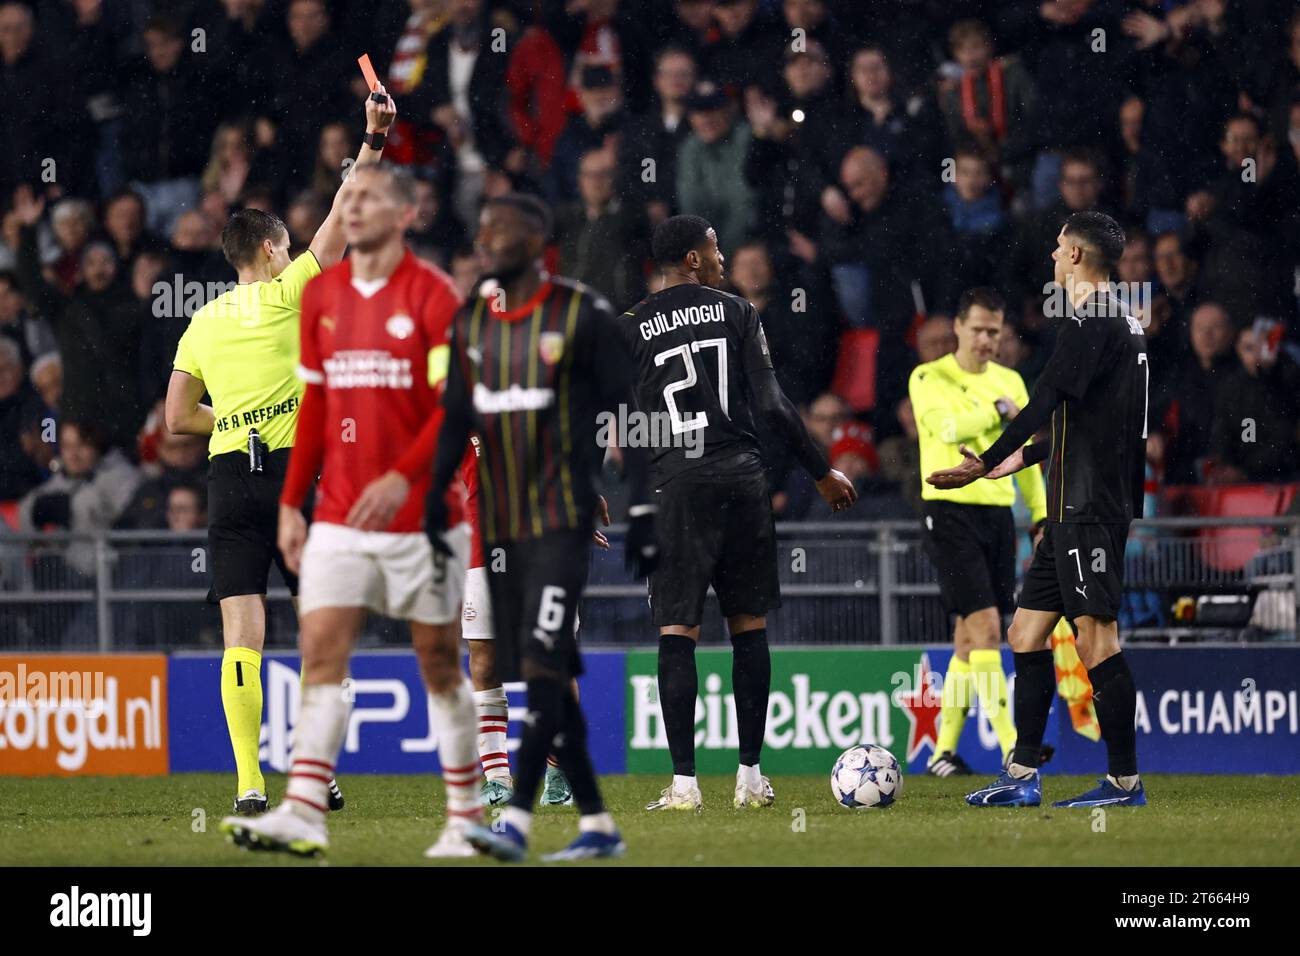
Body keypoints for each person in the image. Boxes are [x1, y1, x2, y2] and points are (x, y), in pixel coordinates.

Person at [220, 163, 480, 859]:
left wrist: (401, 476)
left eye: (371, 206)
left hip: (421, 510)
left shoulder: (431, 295)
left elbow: (452, 405)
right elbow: (314, 413)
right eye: (352, 207)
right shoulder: (324, 300)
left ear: (403, 217)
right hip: (333, 507)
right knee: (323, 648)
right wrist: (290, 506)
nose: (355, 217)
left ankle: (465, 814)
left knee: (437, 659)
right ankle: (304, 807)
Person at [164, 87, 397, 816]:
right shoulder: (293, 290)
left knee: (243, 635)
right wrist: (375, 137)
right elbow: (343, 214)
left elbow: (175, 417)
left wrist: (235, 415)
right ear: (270, 250)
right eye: (287, 248)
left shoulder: (201, 321)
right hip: (303, 477)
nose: (295, 253)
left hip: (232, 477)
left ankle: (247, 785)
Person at [425, 192, 659, 862]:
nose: (485, 242)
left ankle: (522, 823)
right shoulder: (470, 326)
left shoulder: (582, 314)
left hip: (555, 526)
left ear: (534, 241)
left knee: (546, 667)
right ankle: (588, 824)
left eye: (497, 231)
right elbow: (453, 427)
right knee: (520, 665)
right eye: (481, 232)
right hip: (487, 531)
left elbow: (629, 416)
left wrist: (637, 504)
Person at [621, 215, 856, 811]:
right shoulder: (737, 312)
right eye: (715, 246)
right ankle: (750, 778)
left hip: (676, 486)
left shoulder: (629, 328)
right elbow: (773, 405)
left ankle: (684, 787)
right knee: (748, 625)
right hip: (742, 479)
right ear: (693, 259)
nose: (723, 255)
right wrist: (820, 470)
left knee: (678, 630)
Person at [927, 211, 1149, 809]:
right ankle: (1022, 776)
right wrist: (1014, 462)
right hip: (1072, 503)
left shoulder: (1092, 317)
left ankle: (1125, 782)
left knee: (1096, 638)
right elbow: (1080, 421)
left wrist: (982, 460)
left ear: (1076, 256)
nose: (1052, 256)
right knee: (1026, 633)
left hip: (1090, 505)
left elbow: (1046, 398)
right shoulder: (1122, 318)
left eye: (1058, 248)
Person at [908, 287, 1046, 776]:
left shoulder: (1012, 381)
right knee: (990, 628)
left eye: (996, 331)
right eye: (980, 329)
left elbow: (1025, 454)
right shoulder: (928, 376)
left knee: (969, 637)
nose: (988, 339)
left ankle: (943, 752)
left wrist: (1042, 513)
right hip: (947, 511)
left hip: (998, 515)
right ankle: (1014, 749)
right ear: (959, 329)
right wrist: (998, 412)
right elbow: (945, 429)